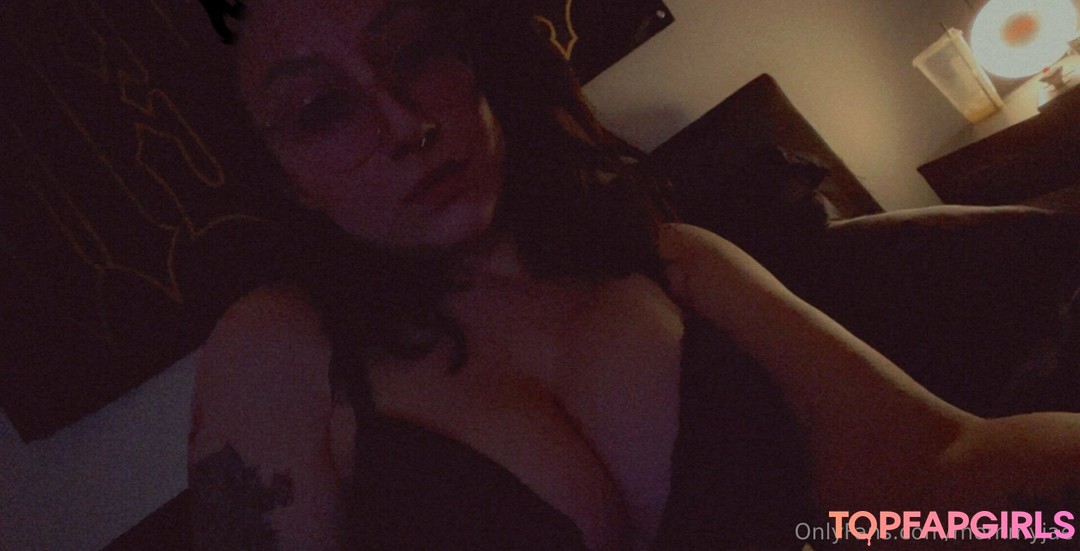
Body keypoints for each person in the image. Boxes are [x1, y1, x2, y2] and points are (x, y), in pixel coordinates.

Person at [186, 0, 1080, 549]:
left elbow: (930, 472)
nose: (404, 122)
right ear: (284, 177)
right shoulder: (279, 349)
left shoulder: (674, 260)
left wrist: (1049, 517)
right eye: (322, 108)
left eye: (416, 50)